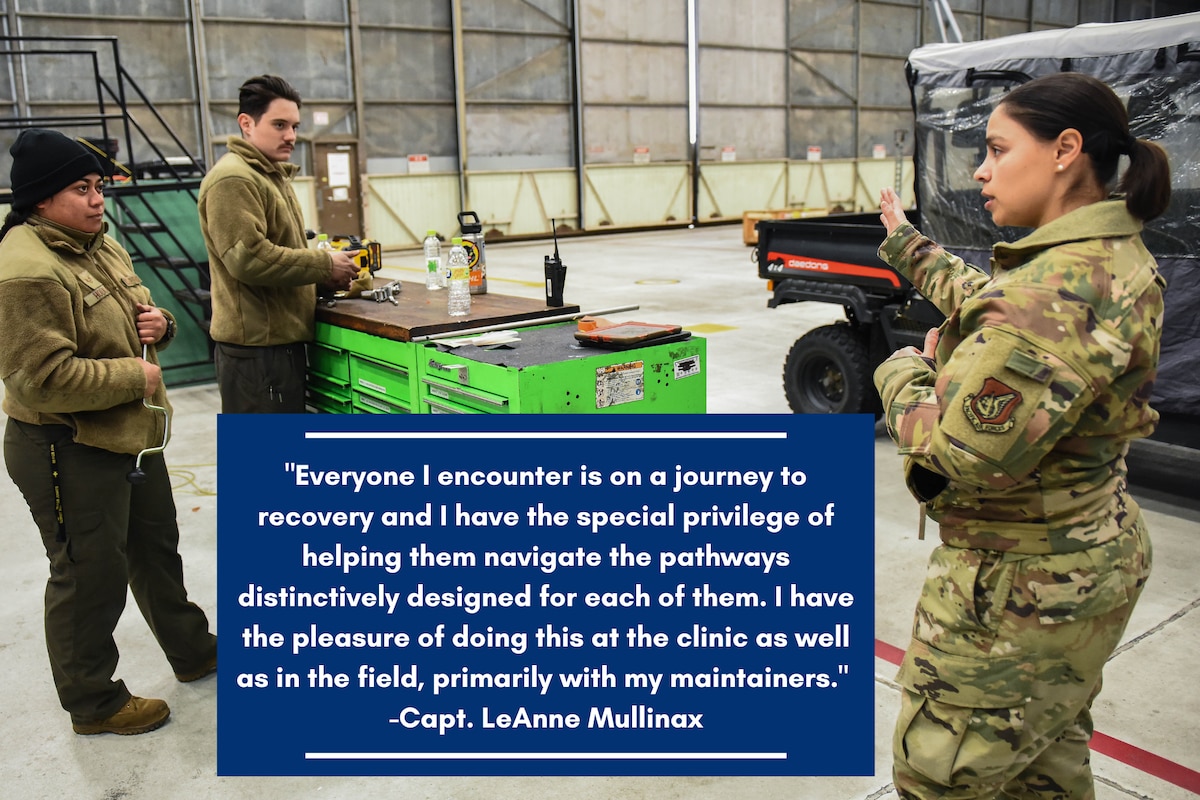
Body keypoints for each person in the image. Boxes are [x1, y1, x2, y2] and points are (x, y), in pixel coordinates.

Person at [874, 72, 1170, 799]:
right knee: (1043, 765)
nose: (981, 168)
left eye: (999, 148)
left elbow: (955, 455)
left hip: (1016, 590)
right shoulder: (1112, 259)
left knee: (940, 776)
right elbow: (1004, 307)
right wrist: (908, 246)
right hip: (1089, 559)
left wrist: (904, 373)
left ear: (1066, 149)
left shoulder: (1045, 292)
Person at [0, 128, 218, 735]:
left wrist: (161, 322)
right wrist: (135, 376)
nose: (98, 200)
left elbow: (137, 317)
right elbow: (38, 377)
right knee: (89, 574)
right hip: (65, 445)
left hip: (130, 435)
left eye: (98, 187)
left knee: (156, 550)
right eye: (81, 188)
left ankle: (193, 648)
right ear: (41, 199)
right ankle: (93, 701)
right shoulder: (25, 267)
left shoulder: (98, 243)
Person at [198, 74, 358, 413]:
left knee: (280, 460)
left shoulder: (268, 174)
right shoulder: (234, 178)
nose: (291, 136)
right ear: (247, 123)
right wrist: (323, 264)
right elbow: (248, 259)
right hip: (257, 353)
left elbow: (280, 250)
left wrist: (320, 277)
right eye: (280, 124)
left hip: (276, 346)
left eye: (295, 127)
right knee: (265, 462)